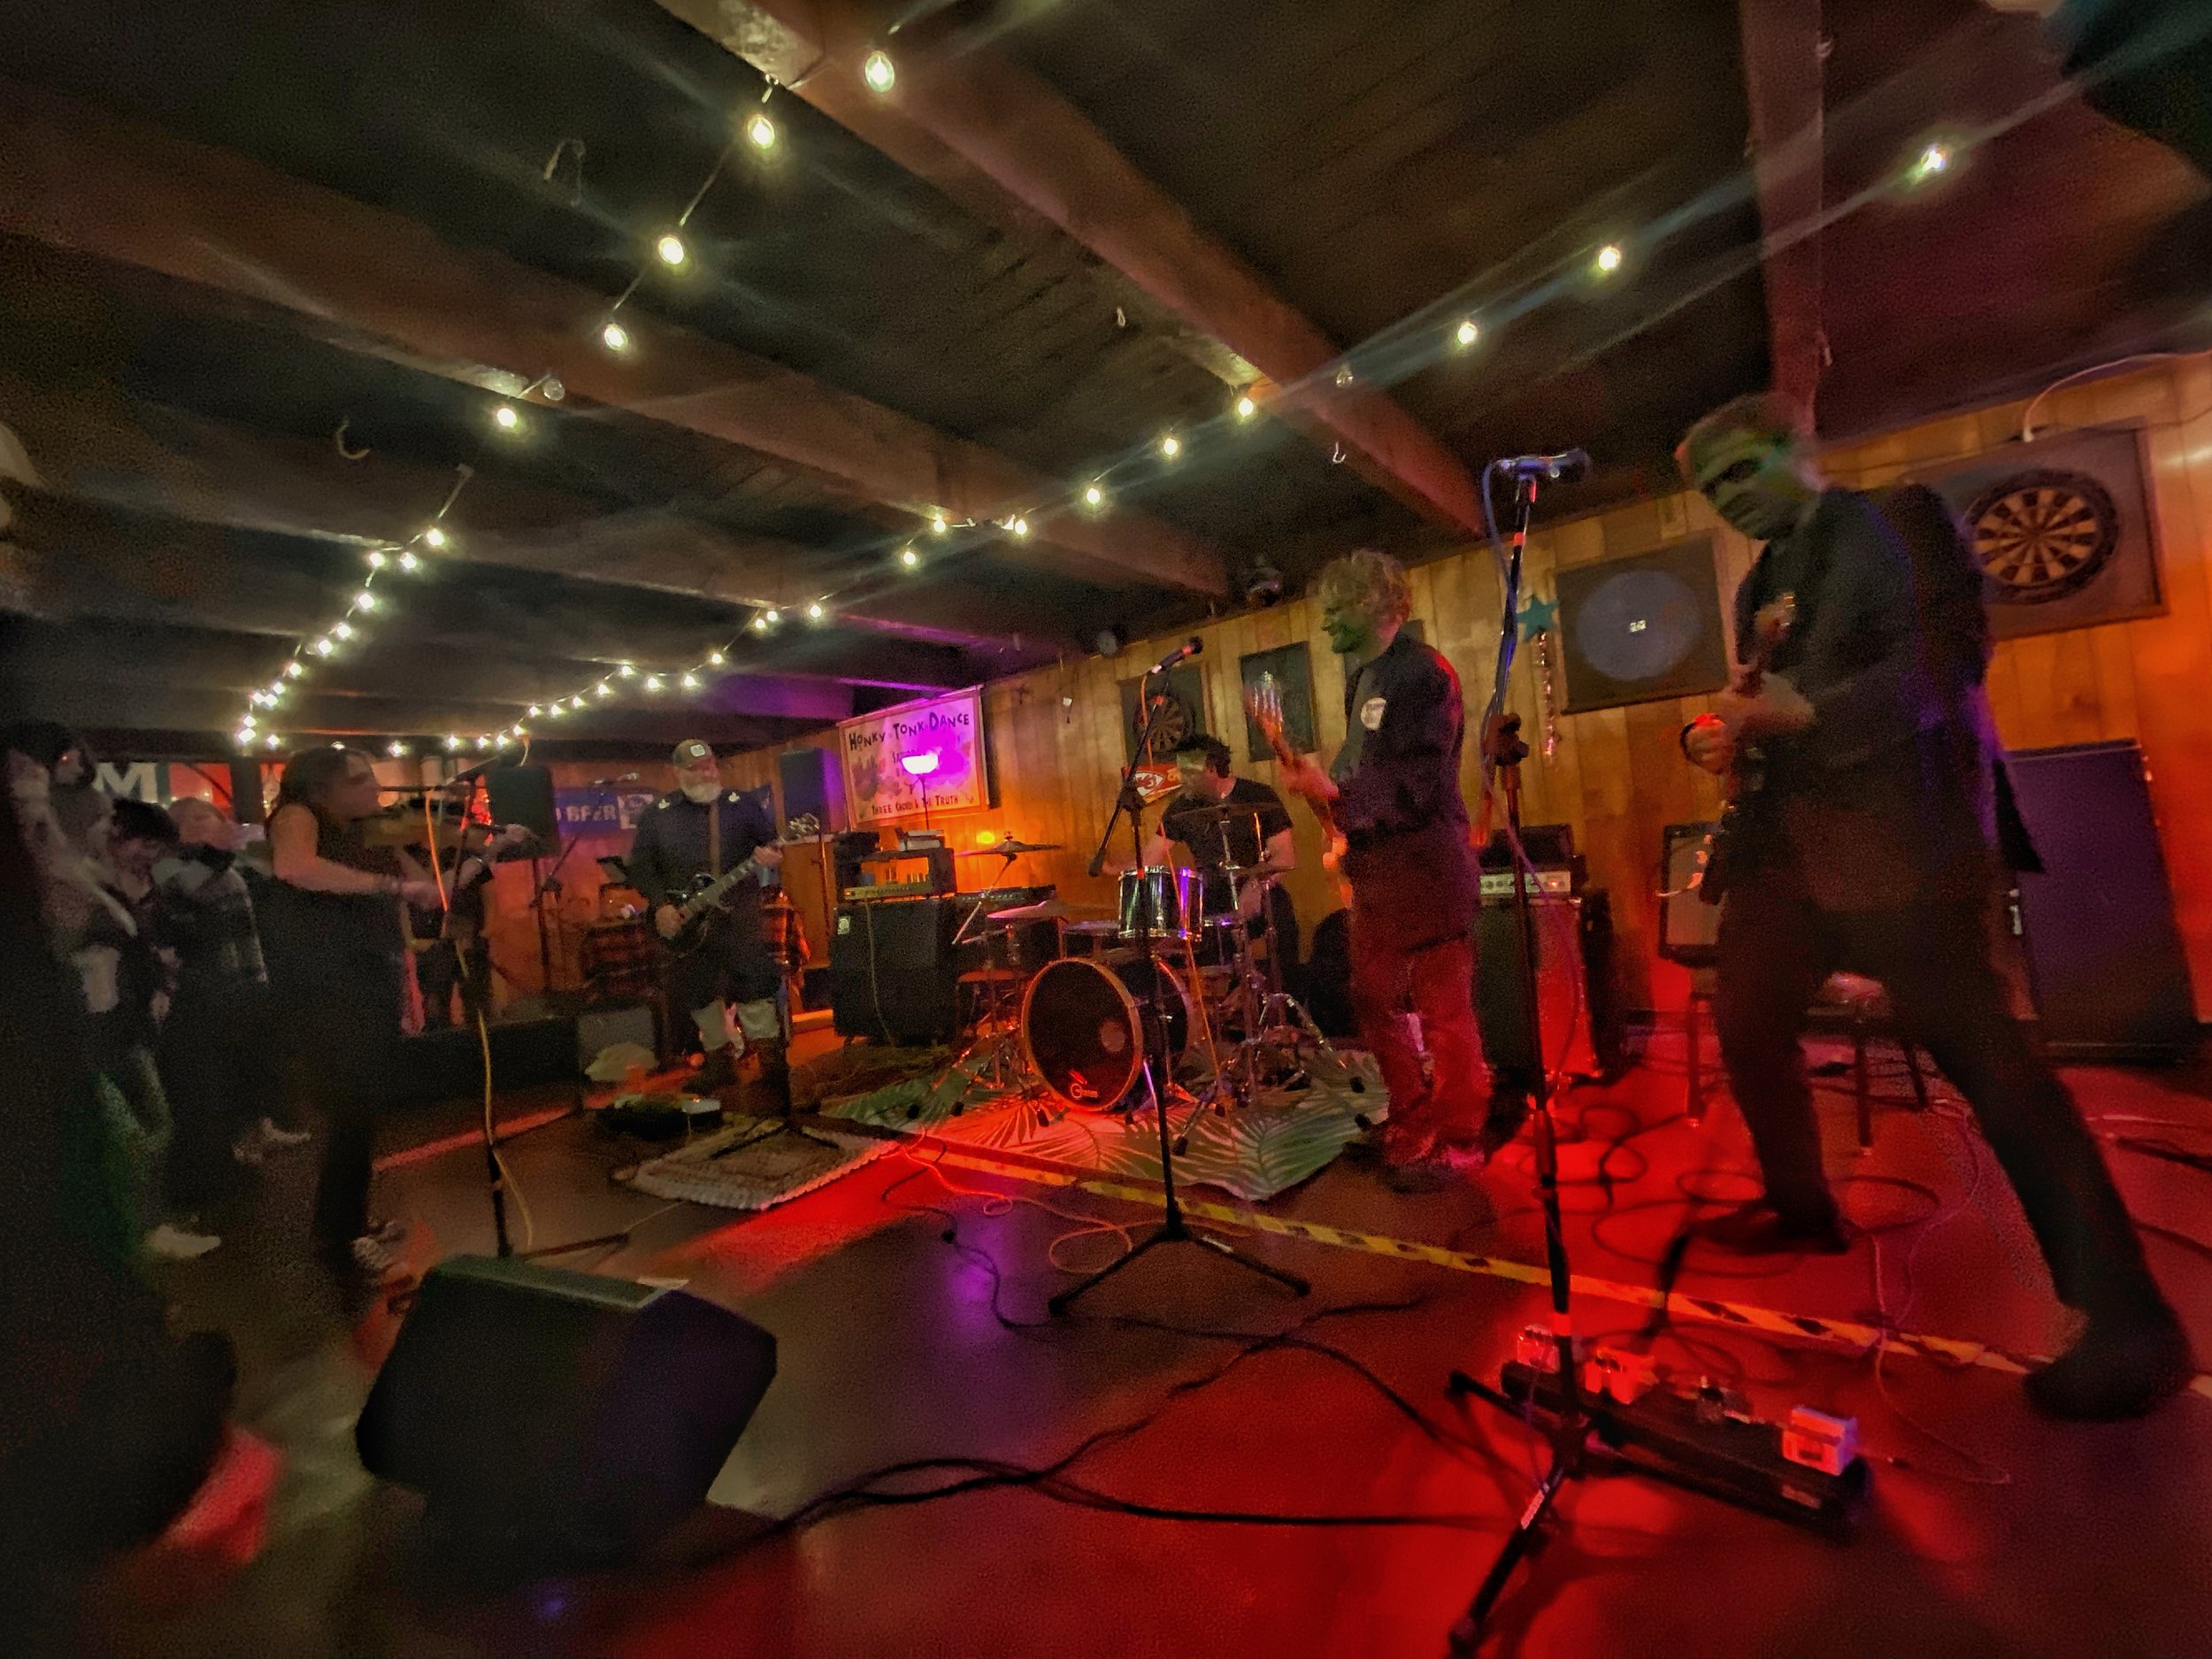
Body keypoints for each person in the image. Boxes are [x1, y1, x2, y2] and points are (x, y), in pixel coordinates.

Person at [1675, 390, 2191, 1419]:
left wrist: (1803, 710)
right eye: (1709, 490)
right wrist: (1726, 732)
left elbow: (1943, 667)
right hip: (1791, 855)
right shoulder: (1761, 585)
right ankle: (1801, 1208)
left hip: (1905, 847)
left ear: (1797, 450)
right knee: (1743, 1018)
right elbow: (1769, 701)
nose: (1728, 500)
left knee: (1997, 1074)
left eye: (1741, 471)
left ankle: (2133, 1324)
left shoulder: (1893, 520)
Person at [1278, 549, 1483, 1189]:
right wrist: (1323, 793)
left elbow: (1415, 782)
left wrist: (1338, 798)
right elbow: (1359, 771)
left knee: (1445, 1012)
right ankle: (1411, 1115)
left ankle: (1459, 1139)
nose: (1327, 623)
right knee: (1370, 996)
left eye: (1335, 610)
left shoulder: (1425, 674)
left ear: (1375, 605)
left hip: (1427, 870)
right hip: (1379, 873)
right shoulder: (1361, 677)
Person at [257, 747, 440, 1283]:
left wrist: (477, 854)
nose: (373, 790)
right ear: (321, 788)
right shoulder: (298, 817)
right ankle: (336, 1239)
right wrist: (393, 885)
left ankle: (350, 1220)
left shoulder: (369, 832)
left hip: (366, 979)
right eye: (359, 781)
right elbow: (295, 867)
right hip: (324, 987)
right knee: (347, 1107)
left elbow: (420, 890)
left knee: (363, 1108)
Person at [154, 798, 303, 1228]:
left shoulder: (228, 863)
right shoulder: (167, 866)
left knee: (246, 1068)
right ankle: (210, 1183)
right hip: (204, 991)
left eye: (214, 817)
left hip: (245, 978)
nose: (212, 824)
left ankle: (249, 1140)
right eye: (198, 818)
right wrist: (220, 851)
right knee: (207, 1085)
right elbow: (192, 889)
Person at [626, 740, 787, 1105]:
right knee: (696, 989)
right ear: (678, 772)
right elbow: (640, 866)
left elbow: (773, 849)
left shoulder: (741, 805)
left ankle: (771, 1063)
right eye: (695, 769)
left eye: (709, 766)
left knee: (753, 982)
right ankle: (719, 1062)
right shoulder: (658, 814)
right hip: (684, 920)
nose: (705, 773)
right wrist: (661, 905)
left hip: (738, 912)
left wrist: (770, 855)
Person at [1142, 733, 1301, 975]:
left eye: (1189, 773)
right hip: (1212, 896)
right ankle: (1218, 1002)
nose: (1182, 779)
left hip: (1260, 887)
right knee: (1183, 941)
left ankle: (1280, 997)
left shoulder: (1258, 795)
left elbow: (1285, 856)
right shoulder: (1181, 806)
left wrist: (1257, 885)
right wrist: (1115, 868)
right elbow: (1150, 856)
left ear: (1212, 769)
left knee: (1282, 924)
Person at [410, 818, 530, 1030]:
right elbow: (432, 891)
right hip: (432, 940)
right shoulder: (410, 856)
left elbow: (484, 888)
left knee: (477, 998)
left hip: (469, 936)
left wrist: (487, 928)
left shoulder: (461, 854)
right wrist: (412, 938)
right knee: (436, 1003)